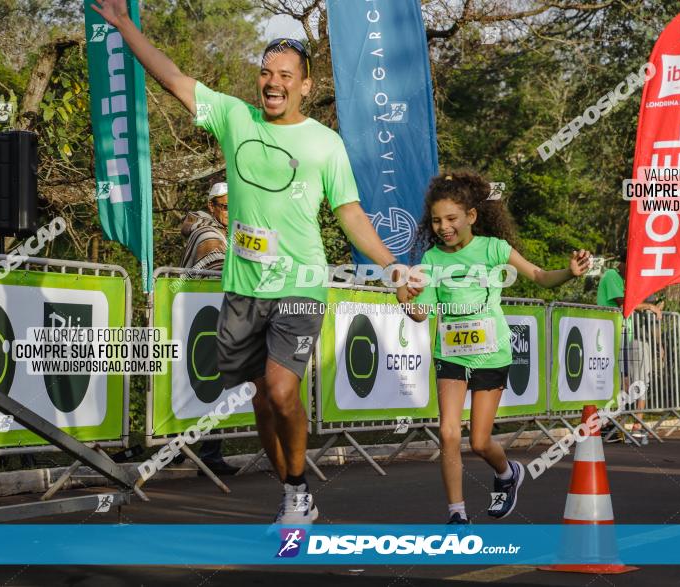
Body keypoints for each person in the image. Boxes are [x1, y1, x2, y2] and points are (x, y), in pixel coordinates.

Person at [93, 0, 411, 524]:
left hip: (301, 284)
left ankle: (297, 488)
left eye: (285, 75)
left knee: (284, 390)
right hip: (243, 288)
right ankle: (291, 488)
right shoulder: (233, 117)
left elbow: (350, 213)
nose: (273, 82)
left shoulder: (325, 143)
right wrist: (126, 25)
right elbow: (171, 76)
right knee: (262, 400)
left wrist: (391, 264)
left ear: (305, 86)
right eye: (266, 72)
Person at [402, 170, 590, 524]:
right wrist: (404, 296)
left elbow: (539, 277)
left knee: (479, 441)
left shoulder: (494, 249)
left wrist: (569, 272)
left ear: (471, 216)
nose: (443, 227)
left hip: (491, 354)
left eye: (452, 219)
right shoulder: (430, 260)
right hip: (450, 355)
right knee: (447, 431)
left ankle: (507, 474)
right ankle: (457, 515)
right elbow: (419, 313)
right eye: (437, 220)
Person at [177, 182, 238, 476]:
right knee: (201, 385)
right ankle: (187, 450)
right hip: (199, 319)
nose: (229, 212)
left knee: (213, 386)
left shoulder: (228, 232)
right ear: (212, 207)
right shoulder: (208, 234)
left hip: (213, 319)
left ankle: (205, 453)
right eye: (224, 207)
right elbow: (217, 272)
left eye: (232, 206)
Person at [596, 249, 662, 444]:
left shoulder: (628, 280)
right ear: (623, 263)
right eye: (632, 267)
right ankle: (610, 423)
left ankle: (636, 423)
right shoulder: (610, 275)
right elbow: (624, 303)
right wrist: (649, 306)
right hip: (611, 336)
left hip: (627, 336)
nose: (633, 271)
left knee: (635, 377)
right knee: (616, 383)